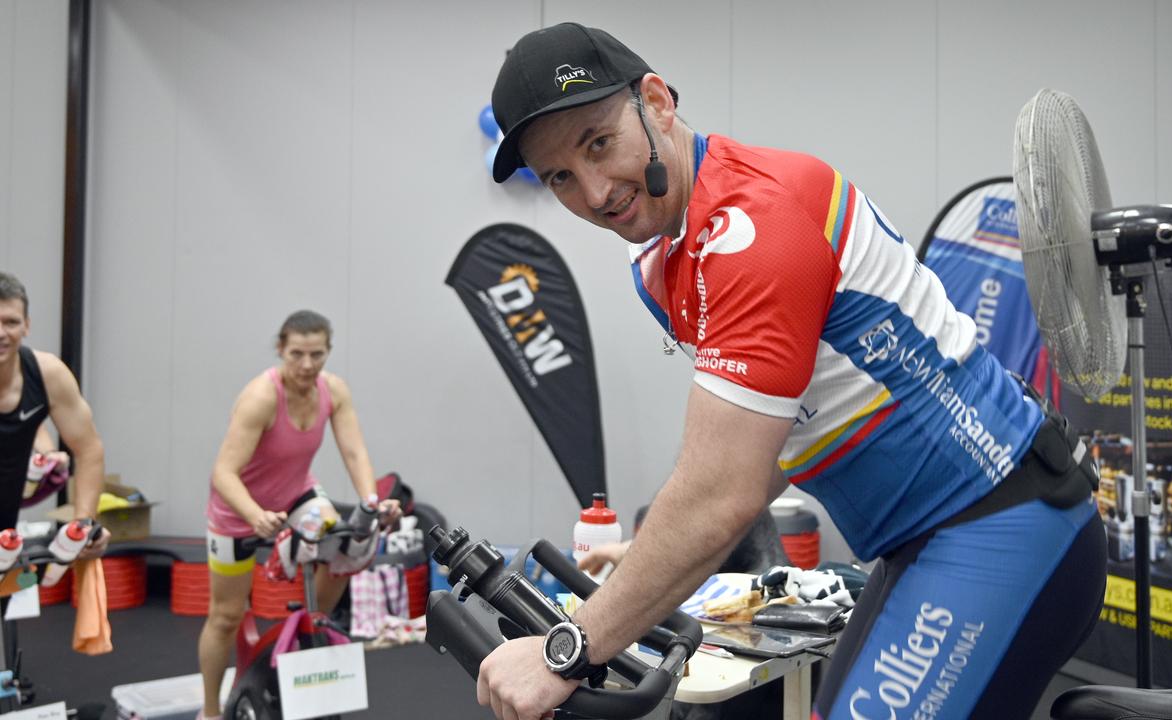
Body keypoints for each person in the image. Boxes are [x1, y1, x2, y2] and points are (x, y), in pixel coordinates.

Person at [476, 23, 1107, 720]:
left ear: (656, 101)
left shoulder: (751, 225)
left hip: (1000, 520)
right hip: (923, 541)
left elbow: (723, 492)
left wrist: (567, 648)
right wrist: (651, 559)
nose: (595, 193)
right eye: (561, 175)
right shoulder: (660, 252)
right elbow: (769, 435)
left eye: (599, 142)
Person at [196, 310, 401, 720]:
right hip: (238, 511)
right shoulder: (262, 397)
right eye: (297, 354)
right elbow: (223, 473)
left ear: (328, 351)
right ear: (280, 350)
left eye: (317, 354)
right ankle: (211, 709)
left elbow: (354, 451)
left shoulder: (334, 391)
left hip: (297, 496)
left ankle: (315, 622)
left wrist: (370, 504)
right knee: (225, 615)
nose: (307, 365)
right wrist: (255, 516)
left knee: (350, 541)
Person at [0, 272, 109, 554]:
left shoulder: (48, 375)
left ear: (27, 326)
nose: (1, 333)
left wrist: (84, 523)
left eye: (10, 322)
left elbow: (89, 450)